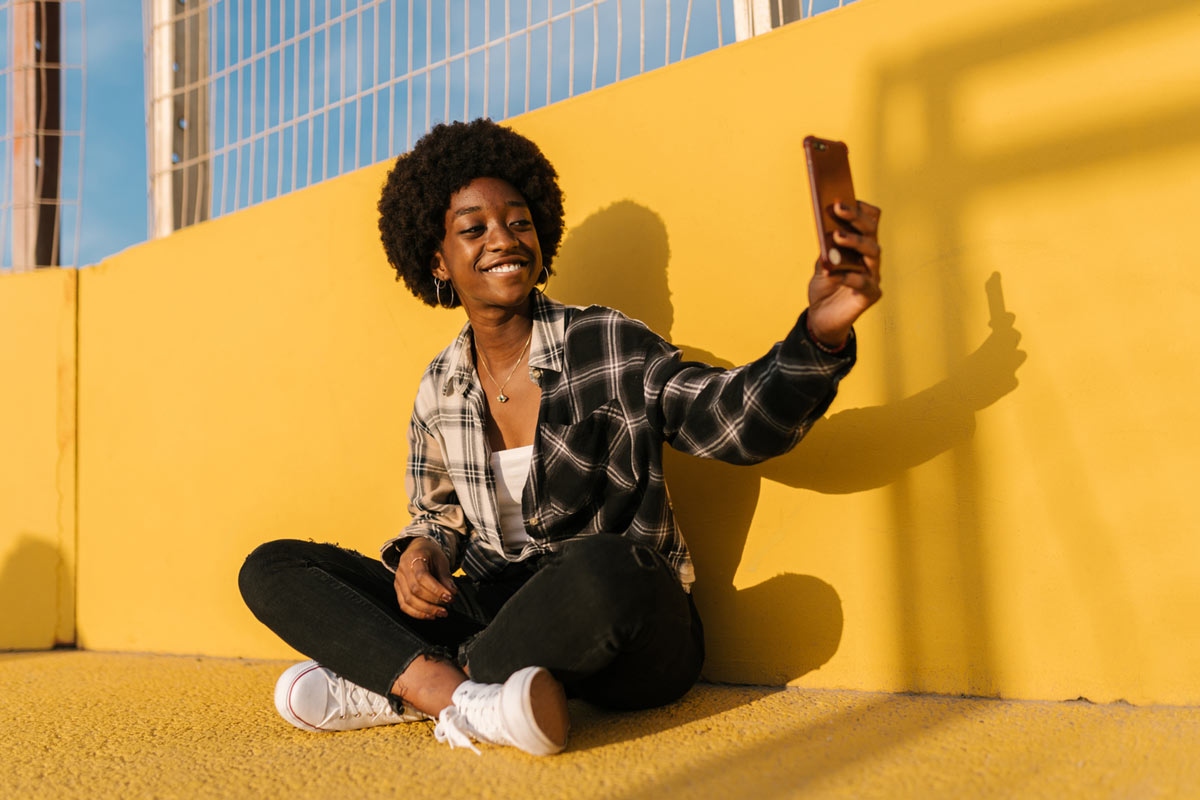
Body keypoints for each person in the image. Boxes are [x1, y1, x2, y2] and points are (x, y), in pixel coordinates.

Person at [238, 119, 882, 756]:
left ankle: (406, 688)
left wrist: (819, 338)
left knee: (610, 567)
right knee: (273, 566)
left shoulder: (606, 341)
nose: (504, 239)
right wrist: (419, 555)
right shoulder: (440, 387)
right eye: (474, 229)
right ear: (438, 260)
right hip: (498, 609)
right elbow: (438, 518)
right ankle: (466, 695)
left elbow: (735, 420)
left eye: (519, 221)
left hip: (627, 627)